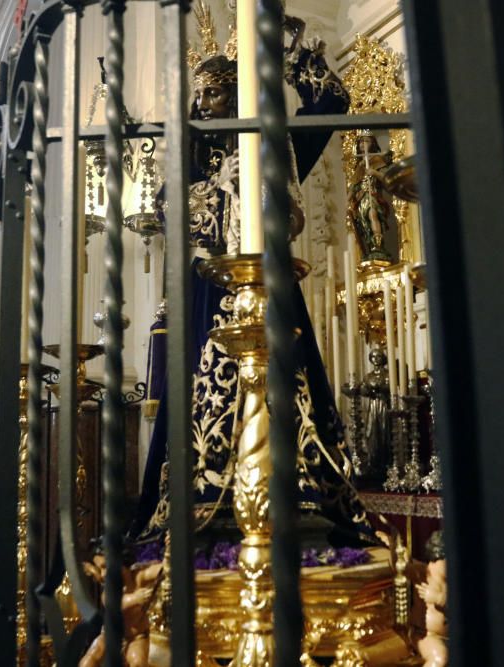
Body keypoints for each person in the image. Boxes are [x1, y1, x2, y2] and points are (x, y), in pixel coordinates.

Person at [130, 20, 370, 547]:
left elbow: (332, 101)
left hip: (268, 281)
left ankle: (297, 491)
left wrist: (285, 54)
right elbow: (176, 215)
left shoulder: (272, 143)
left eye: (215, 91)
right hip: (208, 290)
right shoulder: (188, 161)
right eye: (199, 94)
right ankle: (202, 495)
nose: (205, 102)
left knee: (289, 381)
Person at [348, 130, 394, 263]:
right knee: (364, 223)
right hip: (361, 199)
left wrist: (374, 172)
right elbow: (354, 185)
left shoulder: (377, 160)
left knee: (373, 214)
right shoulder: (360, 166)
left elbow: (387, 178)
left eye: (366, 141)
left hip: (373, 196)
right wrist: (348, 199)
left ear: (373, 144)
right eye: (361, 142)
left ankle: (378, 245)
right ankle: (371, 247)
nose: (363, 144)